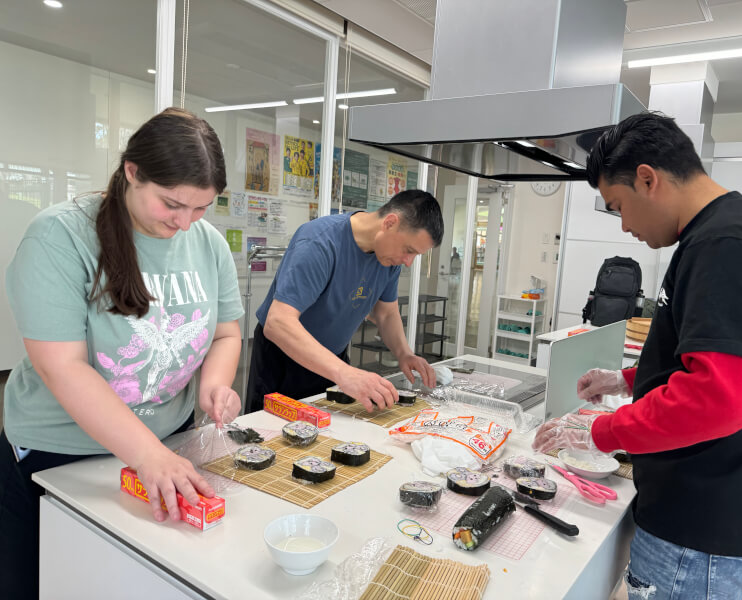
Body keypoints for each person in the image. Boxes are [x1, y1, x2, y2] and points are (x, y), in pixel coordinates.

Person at [533, 111, 742, 599]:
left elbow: (714, 400)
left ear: (647, 179)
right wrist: (630, 380)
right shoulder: (736, 227)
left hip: (701, 519)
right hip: (723, 504)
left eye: (617, 207)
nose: (625, 227)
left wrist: (599, 431)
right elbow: (727, 359)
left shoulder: (726, 244)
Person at [0, 107, 244, 599]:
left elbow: (225, 334)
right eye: (171, 203)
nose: (184, 222)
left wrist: (215, 386)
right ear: (132, 172)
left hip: (167, 447)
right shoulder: (60, 237)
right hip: (62, 454)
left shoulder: (208, 244)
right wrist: (147, 454)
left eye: (200, 209)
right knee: (45, 581)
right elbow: (62, 366)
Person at [245, 190, 444, 413]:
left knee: (325, 432)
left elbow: (386, 313)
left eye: (415, 255)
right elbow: (278, 322)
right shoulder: (320, 242)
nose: (408, 262)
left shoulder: (389, 260)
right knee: (272, 436)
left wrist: (404, 353)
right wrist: (345, 373)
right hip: (284, 357)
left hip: (333, 358)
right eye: (409, 251)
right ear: (390, 223)